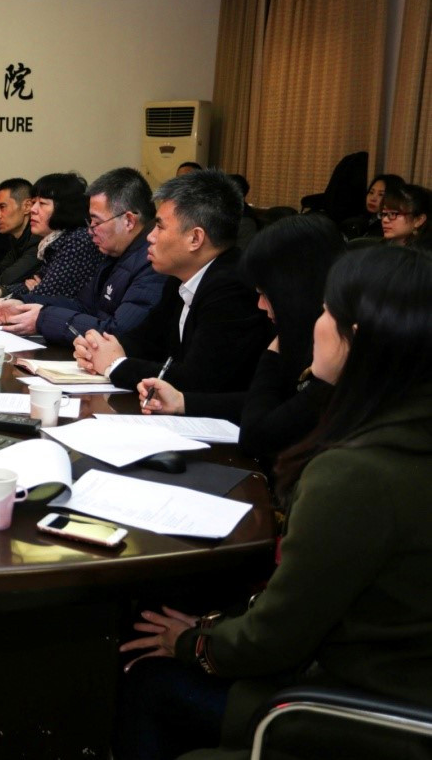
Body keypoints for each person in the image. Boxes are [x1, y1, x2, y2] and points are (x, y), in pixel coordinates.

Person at [114, 245, 432, 760]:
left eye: (325, 311)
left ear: (358, 338)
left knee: (148, 676)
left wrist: (192, 643)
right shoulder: (402, 432)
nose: (314, 323)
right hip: (399, 683)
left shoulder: (358, 476)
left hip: (350, 709)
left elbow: (275, 640)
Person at [136, 214, 344, 478]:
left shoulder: (334, 356)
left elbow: (258, 434)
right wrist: (182, 402)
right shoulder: (303, 334)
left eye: (265, 294)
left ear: (293, 292)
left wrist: (273, 353)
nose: (260, 305)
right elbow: (271, 404)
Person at [74, 169, 271, 394]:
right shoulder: (179, 278)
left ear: (195, 238)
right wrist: (99, 349)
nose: (150, 237)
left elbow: (197, 381)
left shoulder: (233, 288)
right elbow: (148, 340)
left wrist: (115, 365)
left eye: (160, 227)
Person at [0, 168, 168, 344]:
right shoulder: (113, 252)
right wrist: (22, 303)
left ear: (128, 221)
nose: (90, 230)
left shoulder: (153, 262)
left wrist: (42, 318)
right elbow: (82, 305)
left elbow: (117, 333)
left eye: (96, 222)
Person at [0, 172, 104, 306]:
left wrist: (35, 290)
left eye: (42, 203)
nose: (33, 209)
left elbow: (44, 295)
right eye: (34, 202)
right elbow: (33, 285)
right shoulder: (56, 240)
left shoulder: (77, 240)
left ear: (64, 208)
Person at [345, 174, 405, 239]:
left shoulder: (389, 228)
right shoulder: (357, 221)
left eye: (381, 194)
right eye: (371, 192)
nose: (373, 198)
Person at [379, 182, 429, 247]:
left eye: (393, 213)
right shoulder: (381, 246)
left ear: (419, 220)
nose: (385, 220)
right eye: (384, 214)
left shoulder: (424, 251)